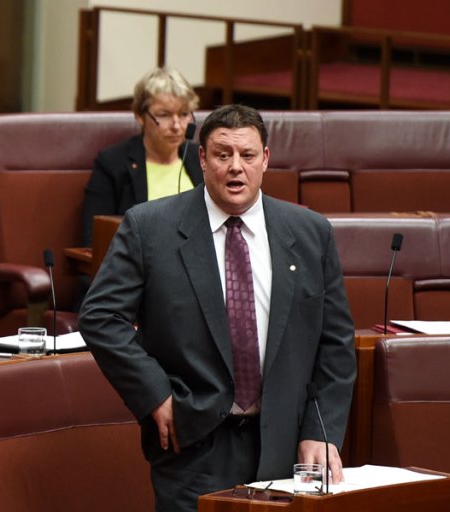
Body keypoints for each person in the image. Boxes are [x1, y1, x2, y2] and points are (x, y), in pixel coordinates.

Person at [78, 104, 356, 512]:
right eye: (223, 155)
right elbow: (101, 317)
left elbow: (335, 344)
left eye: (247, 155)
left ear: (265, 159)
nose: (235, 168)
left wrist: (322, 429)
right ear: (202, 159)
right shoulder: (149, 227)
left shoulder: (310, 233)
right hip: (194, 442)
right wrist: (155, 395)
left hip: (285, 445)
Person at [81, 67, 203, 247]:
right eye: (164, 115)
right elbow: (94, 239)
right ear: (140, 116)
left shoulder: (201, 158)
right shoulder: (113, 164)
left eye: (184, 114)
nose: (177, 126)